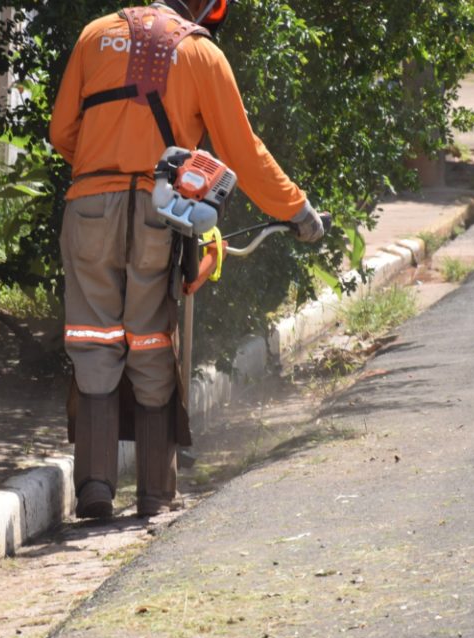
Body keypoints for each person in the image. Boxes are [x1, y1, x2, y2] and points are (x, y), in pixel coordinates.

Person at [50, 0, 326, 519]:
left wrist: (102, 176)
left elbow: (62, 131)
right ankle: (154, 495)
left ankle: (95, 486)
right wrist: (297, 209)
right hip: (160, 212)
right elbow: (242, 152)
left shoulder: (94, 35)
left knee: (93, 342)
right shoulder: (200, 53)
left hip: (87, 205)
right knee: (151, 344)